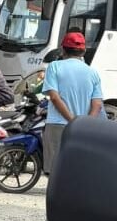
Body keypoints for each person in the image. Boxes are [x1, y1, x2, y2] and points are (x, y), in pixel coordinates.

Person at [41, 31, 103, 176]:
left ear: (63, 50)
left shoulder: (54, 67)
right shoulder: (93, 72)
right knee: (78, 169)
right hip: (83, 128)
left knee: (55, 170)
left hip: (57, 124)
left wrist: (71, 120)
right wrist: (85, 123)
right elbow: (97, 104)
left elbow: (54, 97)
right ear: (84, 51)